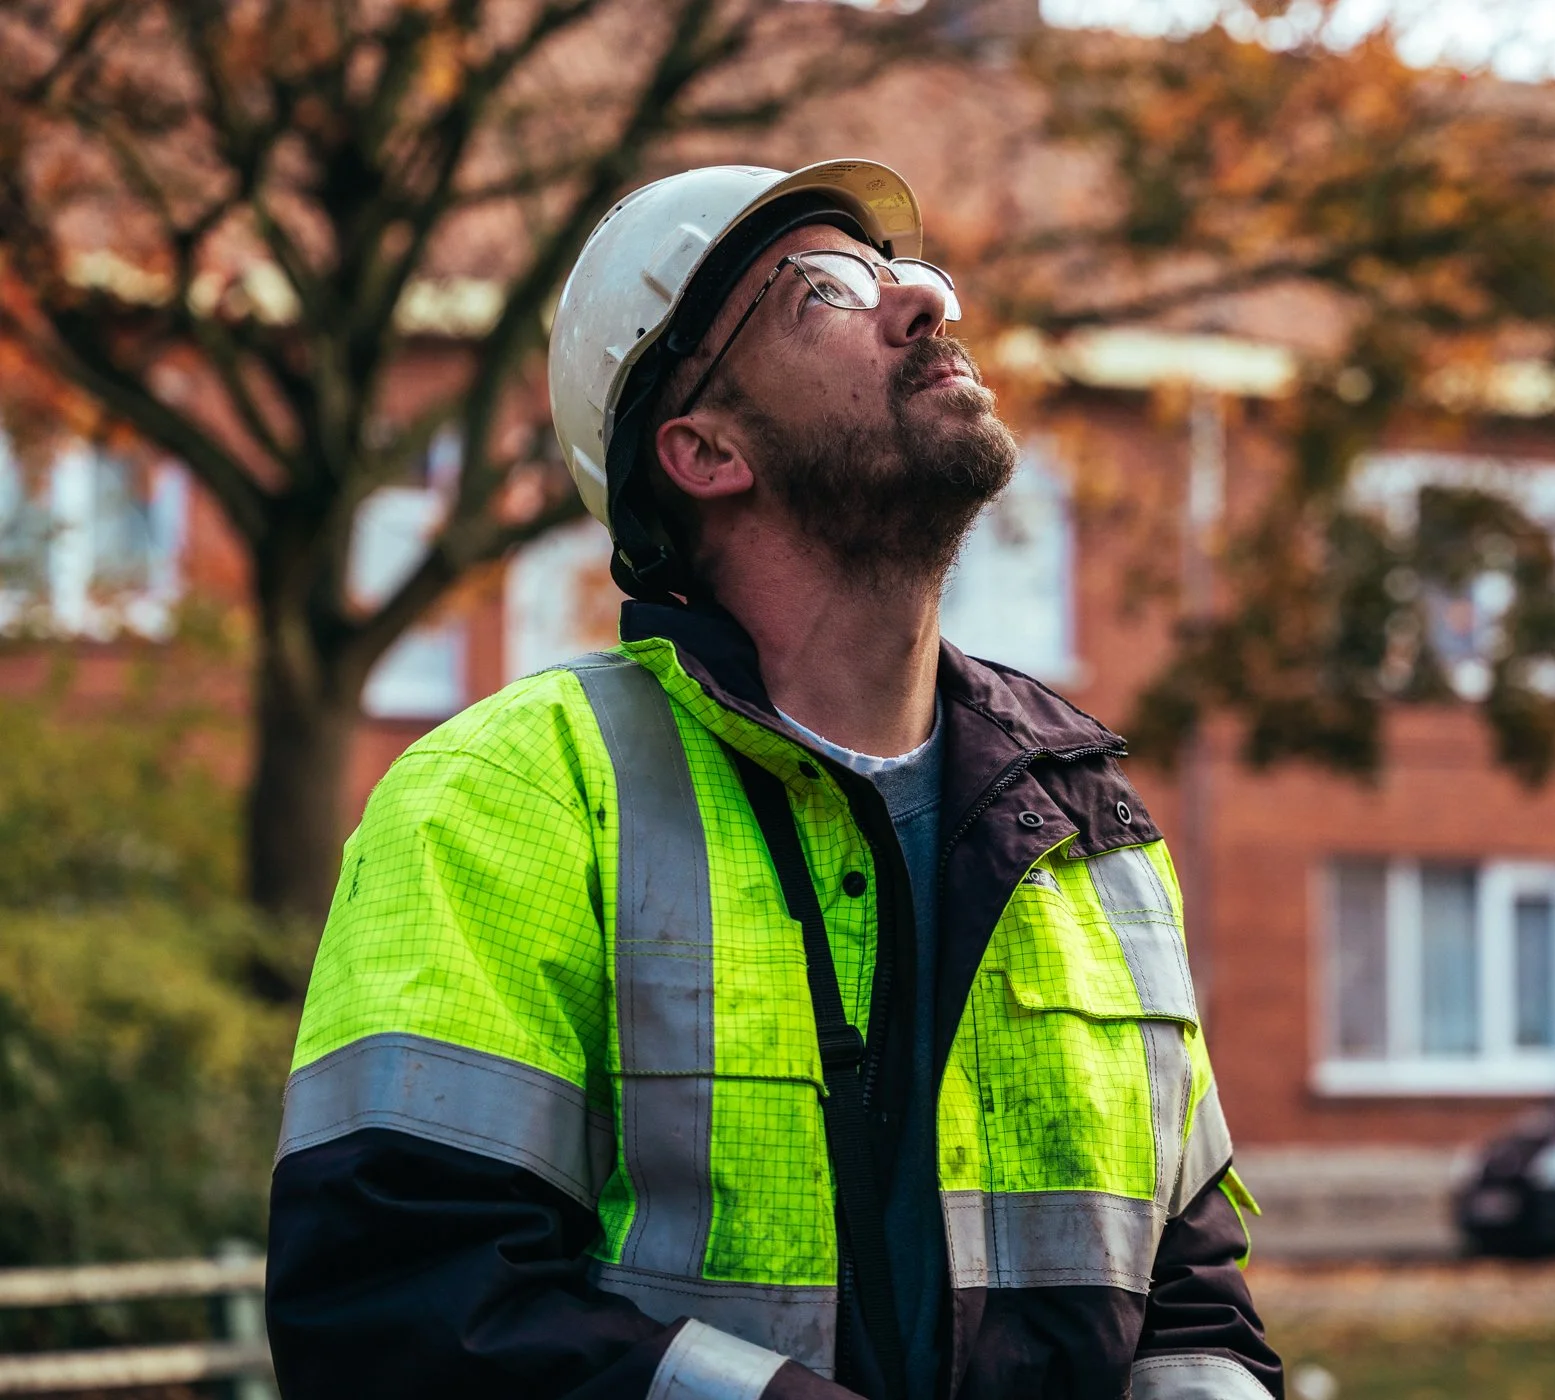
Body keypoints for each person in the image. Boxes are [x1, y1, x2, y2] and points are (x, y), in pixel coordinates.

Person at [264, 158, 1281, 1400]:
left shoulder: (1092, 835)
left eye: (910, 274)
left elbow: (1194, 1297)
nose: (925, 304)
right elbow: (398, 1308)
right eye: (825, 292)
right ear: (702, 448)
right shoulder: (506, 797)